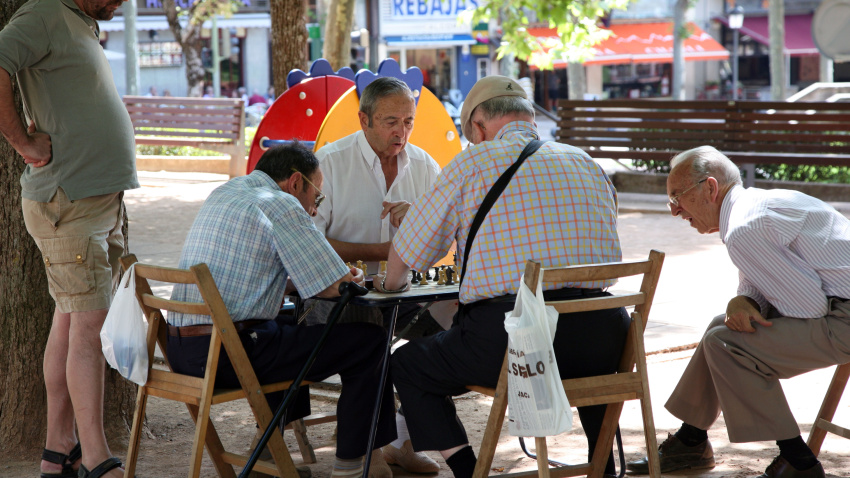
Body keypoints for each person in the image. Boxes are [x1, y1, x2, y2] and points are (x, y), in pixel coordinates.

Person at [377, 75, 626, 478]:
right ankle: (605, 468)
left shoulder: (473, 162)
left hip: (513, 343)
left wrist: (391, 288)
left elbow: (410, 251)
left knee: (406, 363)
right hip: (603, 340)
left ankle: (467, 471)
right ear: (529, 117)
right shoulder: (585, 162)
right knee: (581, 353)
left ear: (478, 128)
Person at [167, 143, 396, 477]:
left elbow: (250, 274)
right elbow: (335, 286)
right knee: (370, 341)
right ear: (296, 182)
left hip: (183, 352)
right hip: (226, 356)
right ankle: (352, 465)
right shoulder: (280, 203)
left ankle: (267, 454)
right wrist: (355, 277)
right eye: (317, 198)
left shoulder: (227, 191)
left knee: (291, 328)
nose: (314, 210)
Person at [627, 146, 850, 478]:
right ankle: (691, 440)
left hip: (842, 319)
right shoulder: (754, 206)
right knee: (720, 327)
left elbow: (808, 308)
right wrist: (746, 299)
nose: (675, 211)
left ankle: (798, 462)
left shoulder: (744, 228)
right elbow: (771, 278)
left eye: (677, 197)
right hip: (839, 308)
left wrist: (749, 302)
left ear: (710, 188)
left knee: (725, 343)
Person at [0, 0, 138, 477]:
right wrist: (21, 141)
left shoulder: (78, 21)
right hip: (69, 203)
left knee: (71, 319)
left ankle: (59, 451)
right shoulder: (42, 14)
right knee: (88, 329)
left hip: (95, 203)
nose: (121, 2)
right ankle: (97, 457)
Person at [310, 76, 446, 473]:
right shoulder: (330, 163)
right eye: (390, 122)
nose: (401, 132)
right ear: (364, 119)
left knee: (453, 339)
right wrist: (390, 250)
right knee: (369, 340)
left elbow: (442, 244)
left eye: (408, 121)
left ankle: (401, 439)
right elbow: (312, 243)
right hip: (339, 295)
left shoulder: (425, 166)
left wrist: (418, 228)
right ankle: (364, 449)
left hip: (403, 294)